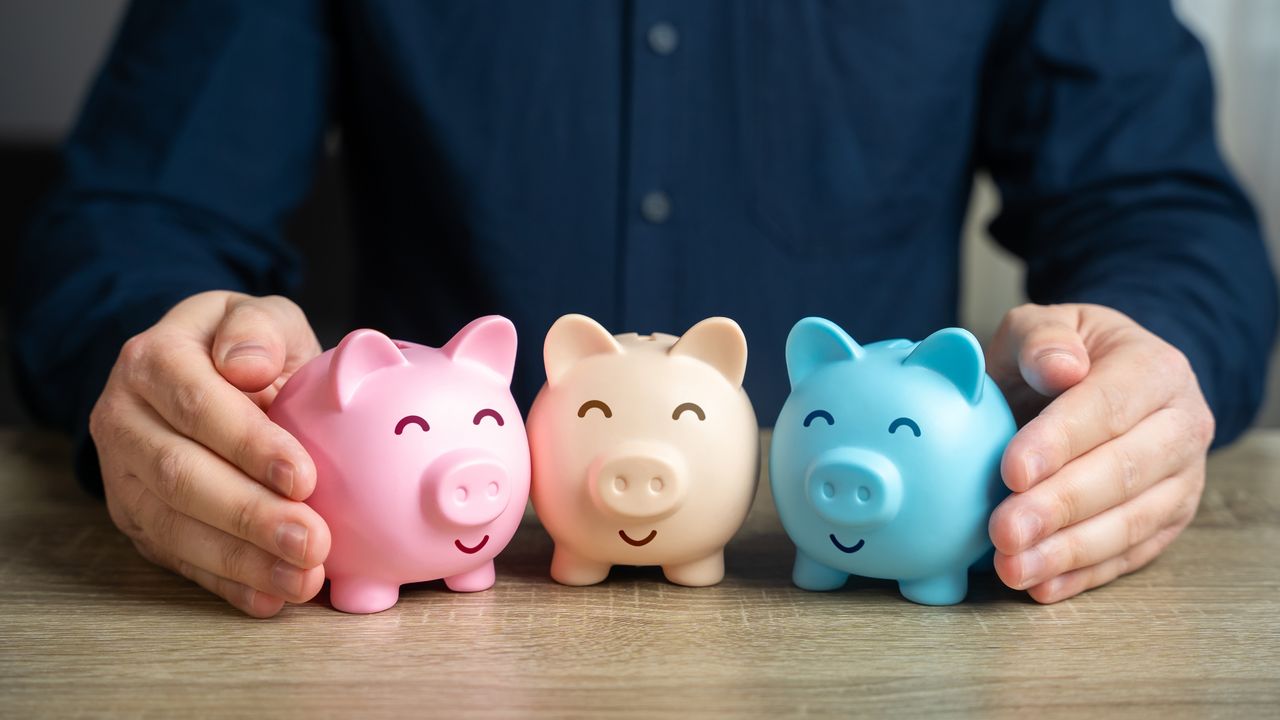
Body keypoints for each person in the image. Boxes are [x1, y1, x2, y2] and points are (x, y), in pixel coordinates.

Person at [8, 1, 1276, 618]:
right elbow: (133, 219)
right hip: (423, 630)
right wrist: (174, 365)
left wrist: (1149, 363)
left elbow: (1158, 214)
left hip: (853, 632)